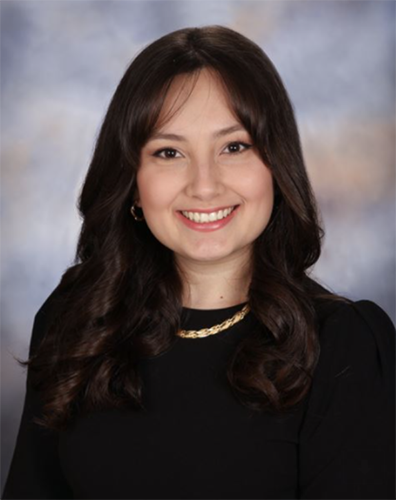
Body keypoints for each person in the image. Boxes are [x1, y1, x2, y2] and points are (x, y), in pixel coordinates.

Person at [2, 25, 396, 500]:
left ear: (276, 165)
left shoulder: (344, 346)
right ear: (132, 182)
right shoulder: (77, 321)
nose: (204, 186)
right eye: (169, 152)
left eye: (234, 147)